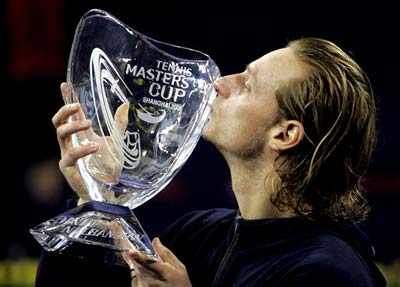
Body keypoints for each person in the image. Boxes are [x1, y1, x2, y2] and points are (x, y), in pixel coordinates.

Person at [36, 38, 387, 286]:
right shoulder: (198, 236)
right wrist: (96, 196)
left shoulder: (329, 273)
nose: (220, 84)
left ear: (284, 134)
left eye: (246, 84)